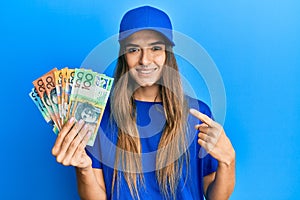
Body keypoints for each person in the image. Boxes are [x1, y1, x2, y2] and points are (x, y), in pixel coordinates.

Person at [52, 5, 235, 200]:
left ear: (167, 54)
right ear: (123, 55)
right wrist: (84, 169)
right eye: (134, 49)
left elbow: (216, 196)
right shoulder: (99, 115)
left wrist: (228, 162)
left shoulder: (196, 114)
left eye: (155, 48)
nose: (145, 60)